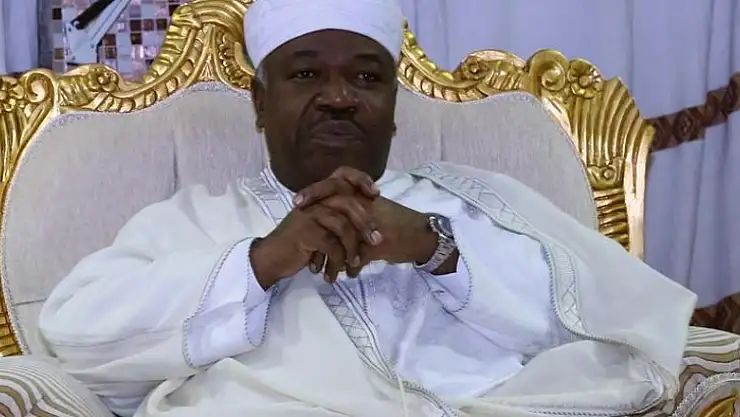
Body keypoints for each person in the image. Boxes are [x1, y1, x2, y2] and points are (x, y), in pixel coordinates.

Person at [38, 0, 696, 416]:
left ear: (393, 105)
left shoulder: (469, 202)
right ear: (260, 103)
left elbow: (600, 323)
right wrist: (262, 262)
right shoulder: (192, 222)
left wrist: (437, 249)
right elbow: (74, 338)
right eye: (305, 74)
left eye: (365, 76)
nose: (338, 97)